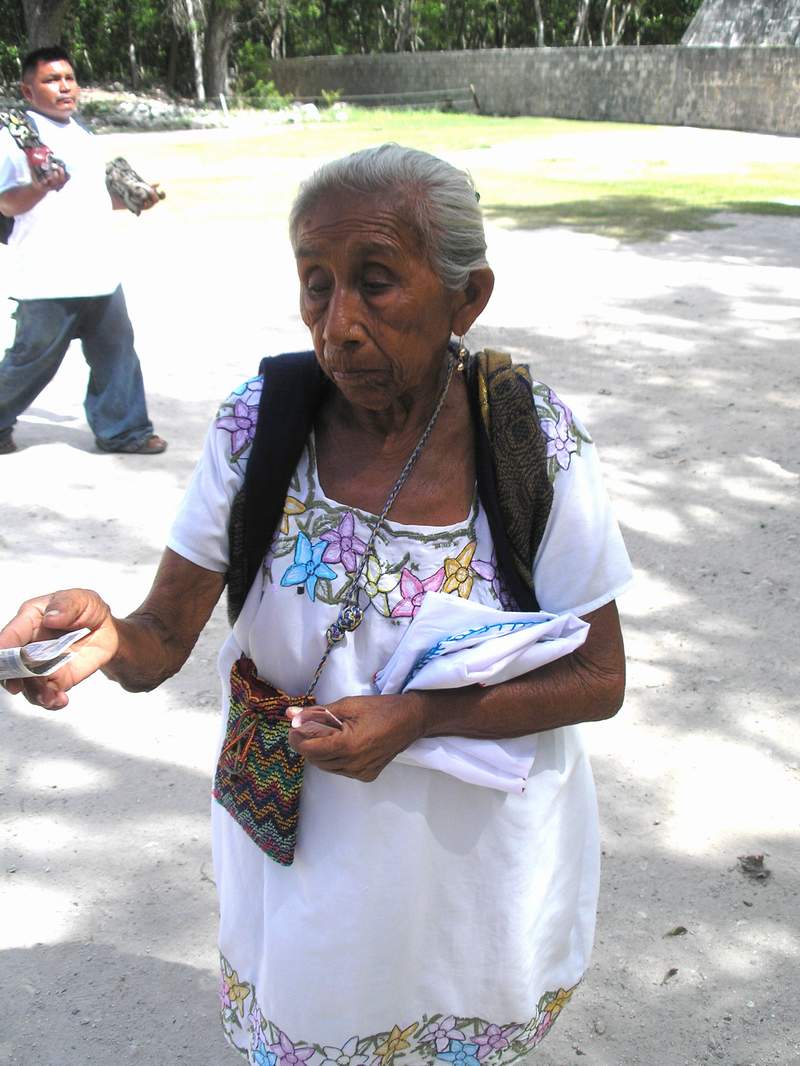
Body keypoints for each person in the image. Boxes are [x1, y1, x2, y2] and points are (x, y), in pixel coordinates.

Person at [0, 144, 633, 1063]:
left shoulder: (533, 442)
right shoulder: (259, 421)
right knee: (314, 1021)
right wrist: (107, 634)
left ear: (466, 298)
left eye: (377, 283)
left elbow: (599, 677)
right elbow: (161, 637)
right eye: (316, 285)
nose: (339, 327)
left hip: (471, 872)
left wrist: (421, 717)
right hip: (298, 848)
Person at [0, 46, 166, 455]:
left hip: (99, 271)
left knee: (117, 355)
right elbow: (6, 203)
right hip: (46, 275)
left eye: (69, 78)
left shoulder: (82, 133)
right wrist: (39, 188)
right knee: (31, 362)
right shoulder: (14, 137)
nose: (64, 87)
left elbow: (90, 197)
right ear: (28, 90)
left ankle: (125, 432)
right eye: (51, 80)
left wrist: (135, 199)